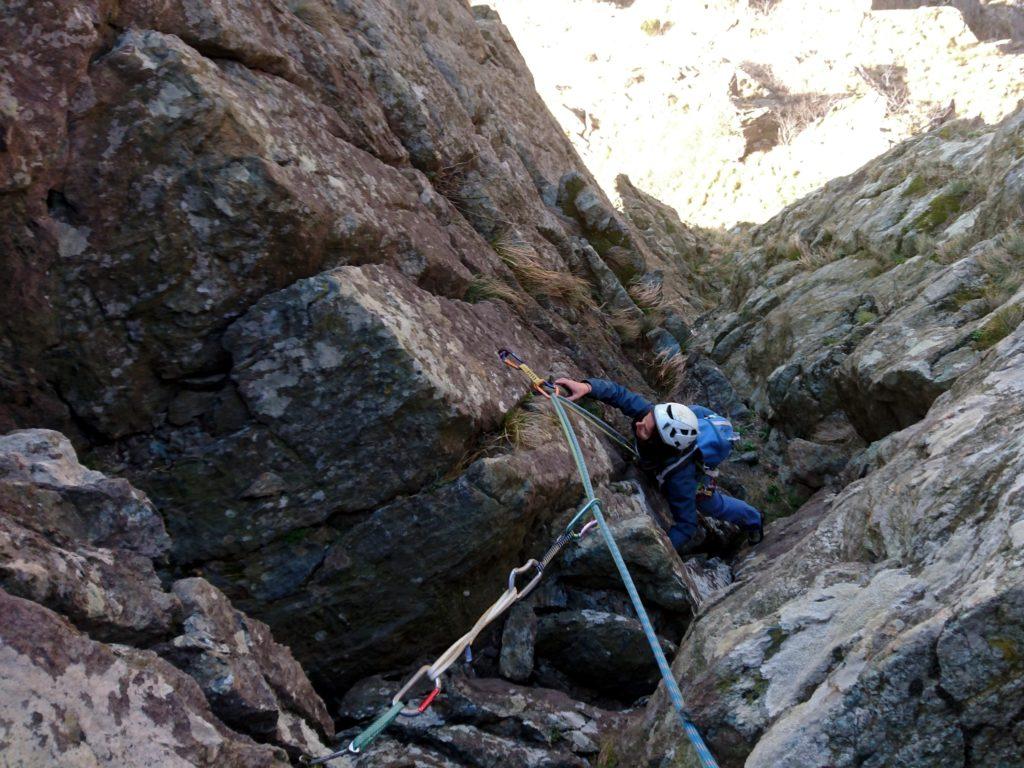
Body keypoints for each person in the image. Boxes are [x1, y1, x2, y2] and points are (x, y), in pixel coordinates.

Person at [554, 376, 764, 554]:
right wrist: (587, 387)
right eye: (646, 418)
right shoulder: (652, 417)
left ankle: (754, 520)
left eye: (645, 429)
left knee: (712, 505)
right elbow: (619, 394)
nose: (639, 423)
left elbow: (686, 525)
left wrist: (662, 549)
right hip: (673, 448)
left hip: (694, 475)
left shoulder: (681, 479)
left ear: (659, 442)